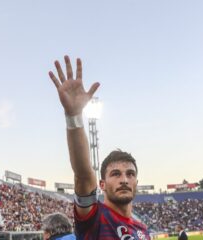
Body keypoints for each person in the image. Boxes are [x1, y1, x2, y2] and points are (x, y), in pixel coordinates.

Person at [49, 56, 150, 239]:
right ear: (102, 185)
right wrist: (74, 117)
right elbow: (84, 174)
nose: (124, 180)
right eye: (116, 174)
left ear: (137, 183)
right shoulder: (94, 218)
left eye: (130, 174)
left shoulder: (142, 230)